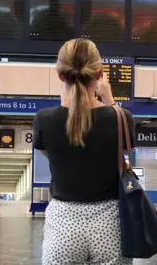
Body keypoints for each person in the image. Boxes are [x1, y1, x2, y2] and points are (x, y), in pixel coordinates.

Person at [33, 38, 135, 265]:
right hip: (110, 223)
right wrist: (109, 98)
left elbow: (49, 154)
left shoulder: (45, 119)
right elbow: (125, 147)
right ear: (99, 74)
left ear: (61, 76)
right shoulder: (120, 117)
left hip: (63, 224)